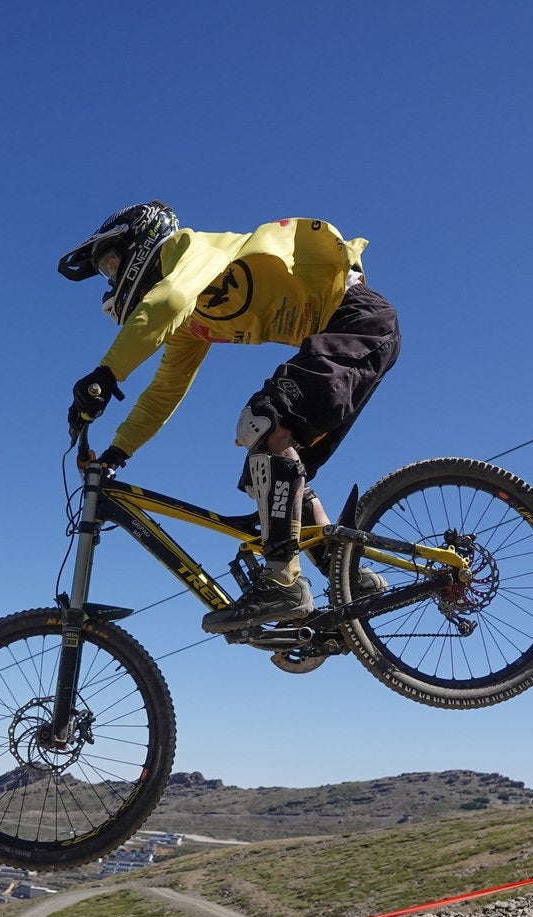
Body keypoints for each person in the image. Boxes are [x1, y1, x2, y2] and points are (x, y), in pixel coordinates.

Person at [60, 201, 401, 633]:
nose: (112, 279)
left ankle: (283, 585)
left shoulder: (185, 249)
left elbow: (170, 299)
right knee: (264, 476)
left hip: (358, 319)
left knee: (262, 424)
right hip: (350, 334)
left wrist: (105, 374)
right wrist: (116, 451)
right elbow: (166, 389)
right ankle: (351, 580)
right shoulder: (191, 324)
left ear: (141, 242)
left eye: (111, 264)